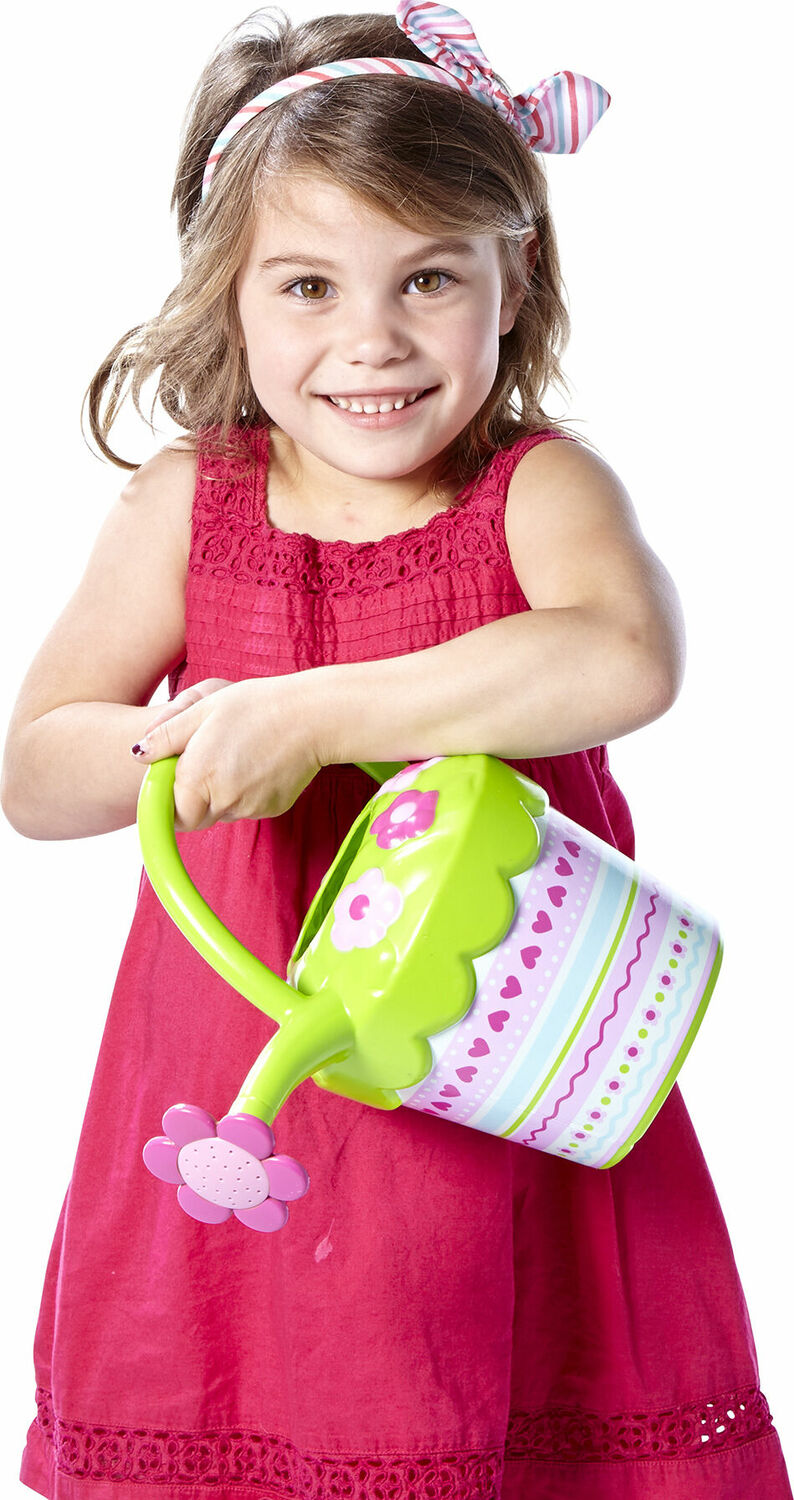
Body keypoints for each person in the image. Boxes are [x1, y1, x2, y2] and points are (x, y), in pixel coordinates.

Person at [1, 1, 790, 1496]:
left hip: (495, 1069)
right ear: (227, 291)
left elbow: (625, 653)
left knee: (494, 1394)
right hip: (243, 1081)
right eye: (307, 285)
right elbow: (36, 769)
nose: (371, 340)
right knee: (245, 1403)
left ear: (514, 279)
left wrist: (315, 714)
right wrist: (187, 738)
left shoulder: (533, 492)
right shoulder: (188, 504)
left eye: (428, 277)